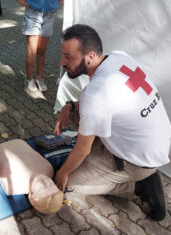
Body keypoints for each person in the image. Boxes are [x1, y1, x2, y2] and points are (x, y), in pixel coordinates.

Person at [54, 24, 171, 221]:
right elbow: (107, 100)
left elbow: (82, 150)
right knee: (80, 113)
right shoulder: (118, 57)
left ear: (90, 56)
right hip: (156, 143)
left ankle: (138, 185)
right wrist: (71, 106)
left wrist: (62, 174)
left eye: (69, 57)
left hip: (140, 160)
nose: (62, 62)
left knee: (72, 183)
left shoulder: (95, 93)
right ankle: (112, 157)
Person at [17, 0, 63, 92]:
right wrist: (26, 3)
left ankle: (39, 78)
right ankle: (29, 79)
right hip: (32, 14)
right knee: (32, 50)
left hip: (49, 15)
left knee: (42, 50)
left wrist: (58, 5)